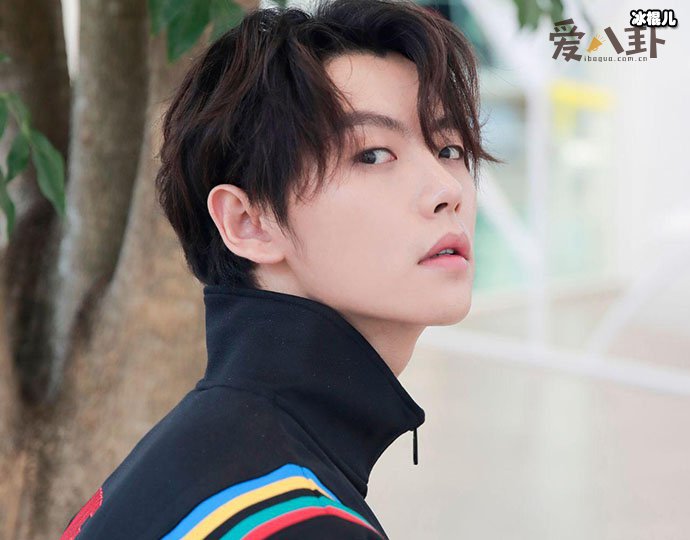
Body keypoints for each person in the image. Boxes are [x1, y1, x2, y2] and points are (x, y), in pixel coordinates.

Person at [60, 0, 496, 537]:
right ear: (248, 222)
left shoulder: (196, 459)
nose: (447, 189)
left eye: (450, 149)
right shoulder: (292, 518)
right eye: (374, 155)